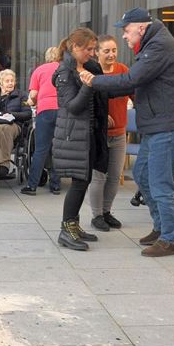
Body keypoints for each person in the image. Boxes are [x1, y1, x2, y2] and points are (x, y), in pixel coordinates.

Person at [81, 7, 174, 257]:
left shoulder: (158, 47)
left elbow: (131, 79)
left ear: (141, 28)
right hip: (158, 124)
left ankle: (169, 238)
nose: (124, 36)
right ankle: (161, 226)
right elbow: (135, 83)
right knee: (142, 174)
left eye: (126, 30)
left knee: (159, 182)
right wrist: (104, 90)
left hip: (168, 125)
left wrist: (93, 81)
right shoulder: (152, 45)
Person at [52, 27, 109, 251]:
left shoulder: (86, 67)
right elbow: (73, 107)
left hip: (88, 134)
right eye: (88, 49)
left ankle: (73, 224)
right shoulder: (64, 73)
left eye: (94, 49)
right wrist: (87, 85)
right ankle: (66, 230)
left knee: (83, 180)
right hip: (74, 135)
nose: (92, 53)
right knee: (79, 182)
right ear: (74, 47)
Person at [87, 35, 131, 232]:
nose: (111, 54)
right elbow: (87, 103)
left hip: (120, 133)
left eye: (114, 50)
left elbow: (134, 93)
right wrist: (102, 116)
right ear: (97, 52)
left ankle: (106, 212)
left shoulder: (123, 71)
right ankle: (96, 215)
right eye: (106, 51)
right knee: (99, 176)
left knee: (114, 176)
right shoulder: (91, 72)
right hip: (99, 134)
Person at [21, 46, 62, 196]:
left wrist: (32, 101)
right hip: (63, 111)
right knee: (57, 149)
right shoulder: (65, 69)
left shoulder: (39, 70)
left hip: (44, 110)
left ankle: (32, 186)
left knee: (40, 150)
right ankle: (56, 185)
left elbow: (33, 94)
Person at [0, 69, 32, 179]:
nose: (10, 83)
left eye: (12, 81)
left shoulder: (22, 95)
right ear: (0, 83)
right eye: (7, 81)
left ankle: (3, 165)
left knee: (4, 129)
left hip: (13, 125)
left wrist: (11, 114)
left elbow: (28, 113)